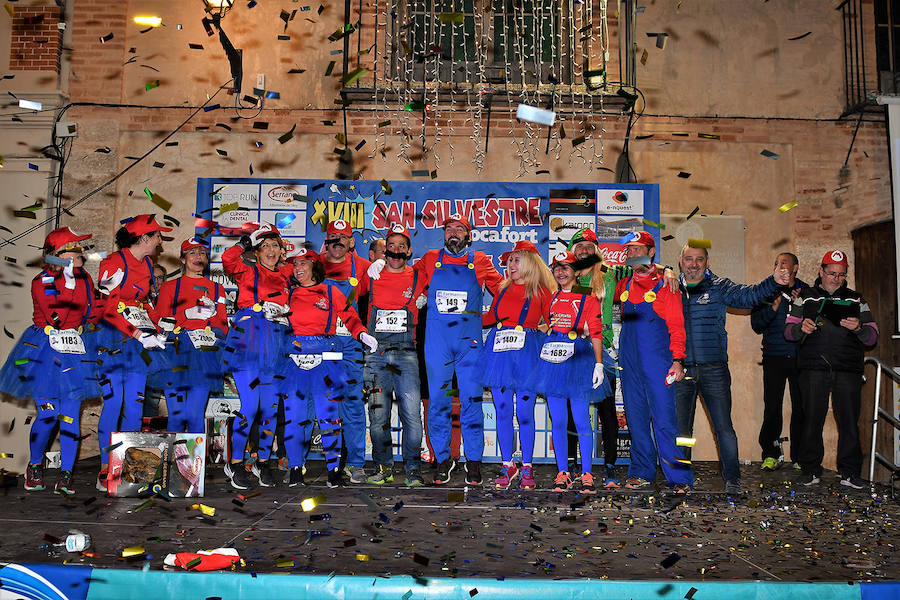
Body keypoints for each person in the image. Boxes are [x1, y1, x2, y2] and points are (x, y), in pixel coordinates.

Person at [368, 214, 503, 485]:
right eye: (448, 229)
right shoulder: (430, 259)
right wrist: (381, 261)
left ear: (469, 235)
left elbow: (504, 293)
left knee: (471, 402)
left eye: (459, 229)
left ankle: (474, 461)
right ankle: (442, 459)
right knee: (438, 404)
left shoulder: (480, 261)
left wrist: (487, 319)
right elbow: (402, 270)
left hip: (469, 346)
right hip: (437, 346)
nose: (452, 233)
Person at [675, 243, 789, 494]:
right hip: (681, 370)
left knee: (723, 428)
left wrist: (774, 281)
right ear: (681, 261)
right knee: (682, 431)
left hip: (714, 370)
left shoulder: (719, 286)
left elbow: (749, 295)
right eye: (689, 259)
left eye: (700, 259)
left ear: (708, 262)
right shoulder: (671, 288)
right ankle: (681, 479)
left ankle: (733, 479)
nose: (694, 264)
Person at [0, 227, 100, 495]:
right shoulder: (42, 281)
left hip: (75, 352)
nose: (81, 254)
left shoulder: (84, 280)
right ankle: (35, 465)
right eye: (74, 249)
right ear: (58, 255)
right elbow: (57, 317)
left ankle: (66, 474)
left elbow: (91, 311)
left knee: (70, 416)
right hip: (44, 353)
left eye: (80, 249)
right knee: (48, 414)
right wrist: (67, 285)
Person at [285, 247, 378, 487]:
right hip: (294, 356)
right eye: (295, 265)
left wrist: (362, 334)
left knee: (329, 416)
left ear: (314, 267)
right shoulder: (288, 294)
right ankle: (295, 468)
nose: (298, 269)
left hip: (325, 356)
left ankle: (334, 470)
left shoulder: (331, 290)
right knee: (295, 414)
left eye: (303, 264)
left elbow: (350, 315)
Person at [785, 250, 878, 489]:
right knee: (811, 420)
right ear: (821, 271)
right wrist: (801, 329)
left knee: (848, 421)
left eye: (841, 275)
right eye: (831, 273)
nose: (836, 279)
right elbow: (788, 331)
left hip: (848, 369)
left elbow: (872, 337)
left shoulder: (857, 299)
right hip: (812, 368)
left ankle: (849, 473)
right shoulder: (804, 297)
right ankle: (810, 470)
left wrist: (858, 328)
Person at [95, 214, 169, 492]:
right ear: (143, 238)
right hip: (112, 339)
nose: (160, 242)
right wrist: (137, 333)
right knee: (114, 404)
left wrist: (156, 328)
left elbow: (144, 303)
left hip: (137, 343)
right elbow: (107, 307)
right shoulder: (113, 263)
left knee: (135, 405)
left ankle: (128, 467)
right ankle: (105, 467)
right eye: (157, 237)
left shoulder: (148, 263)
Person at [615, 231, 692, 491]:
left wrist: (678, 360)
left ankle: (679, 478)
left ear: (651, 252)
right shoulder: (623, 283)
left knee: (665, 421)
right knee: (636, 419)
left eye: (638, 249)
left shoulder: (666, 285)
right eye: (628, 250)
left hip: (658, 362)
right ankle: (641, 472)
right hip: (630, 362)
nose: (631, 254)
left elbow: (677, 327)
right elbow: (591, 271)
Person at [530, 250, 612, 493]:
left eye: (566, 267)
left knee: (581, 419)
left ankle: (587, 473)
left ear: (576, 271)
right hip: (554, 360)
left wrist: (598, 364)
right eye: (556, 267)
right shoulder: (552, 297)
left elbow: (596, 333)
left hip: (578, 360)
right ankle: (563, 472)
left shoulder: (588, 296)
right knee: (558, 420)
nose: (561, 272)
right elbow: (546, 325)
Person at [221, 223, 293, 490]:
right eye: (265, 246)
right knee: (250, 406)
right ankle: (236, 462)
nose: (271, 250)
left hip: (276, 344)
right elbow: (228, 259)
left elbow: (316, 267)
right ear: (257, 251)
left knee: (270, 409)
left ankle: (263, 462)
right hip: (250, 342)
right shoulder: (247, 270)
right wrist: (244, 243)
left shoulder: (286, 274)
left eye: (275, 245)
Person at [480, 240, 554, 490]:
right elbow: (490, 317)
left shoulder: (542, 292)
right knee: (501, 410)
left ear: (530, 263)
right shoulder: (502, 289)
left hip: (526, 356)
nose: (510, 264)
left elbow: (554, 321)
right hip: (500, 355)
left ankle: (528, 466)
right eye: (509, 260)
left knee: (524, 413)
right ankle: (507, 463)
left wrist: (541, 332)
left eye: (516, 259)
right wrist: (463, 318)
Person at [362, 225, 428, 487]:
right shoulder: (369, 275)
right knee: (378, 416)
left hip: (406, 355)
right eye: (392, 246)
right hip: (375, 355)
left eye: (402, 246)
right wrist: (370, 265)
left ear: (409, 251)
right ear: (384, 250)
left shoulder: (419, 275)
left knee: (411, 414)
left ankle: (413, 469)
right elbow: (334, 263)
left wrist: (423, 296)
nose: (397, 251)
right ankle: (383, 467)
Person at [153, 238, 228, 433]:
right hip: (175, 353)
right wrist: (186, 315)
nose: (198, 257)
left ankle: (195, 464)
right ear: (183, 259)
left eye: (202, 253)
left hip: (203, 355)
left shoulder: (217, 289)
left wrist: (212, 322)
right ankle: (173, 463)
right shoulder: (169, 287)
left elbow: (223, 326)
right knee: (176, 416)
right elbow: (159, 321)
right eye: (192, 252)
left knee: (195, 415)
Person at [567, 228, 621, 487]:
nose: (584, 250)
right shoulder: (565, 276)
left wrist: (667, 271)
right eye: (579, 247)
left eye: (589, 246)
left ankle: (610, 467)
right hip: (574, 351)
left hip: (604, 351)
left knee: (607, 412)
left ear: (596, 250)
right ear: (573, 251)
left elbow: (643, 267)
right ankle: (571, 465)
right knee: (571, 411)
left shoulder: (609, 274)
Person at [319, 219, 371, 484]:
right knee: (323, 403)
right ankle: (325, 463)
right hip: (320, 343)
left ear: (351, 241)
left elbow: (388, 291)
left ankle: (355, 463)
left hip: (350, 343)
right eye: (332, 236)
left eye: (343, 236)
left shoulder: (362, 266)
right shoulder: (313, 265)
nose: (337, 241)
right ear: (325, 240)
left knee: (351, 403)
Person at [750, 252, 808, 471]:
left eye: (784, 262)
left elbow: (816, 324)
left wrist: (798, 306)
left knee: (801, 408)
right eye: (776, 263)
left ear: (796, 267)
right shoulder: (766, 290)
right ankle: (771, 454)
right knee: (772, 408)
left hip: (800, 358)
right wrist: (773, 308)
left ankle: (801, 458)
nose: (779, 266)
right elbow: (757, 325)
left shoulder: (807, 291)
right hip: (773, 357)